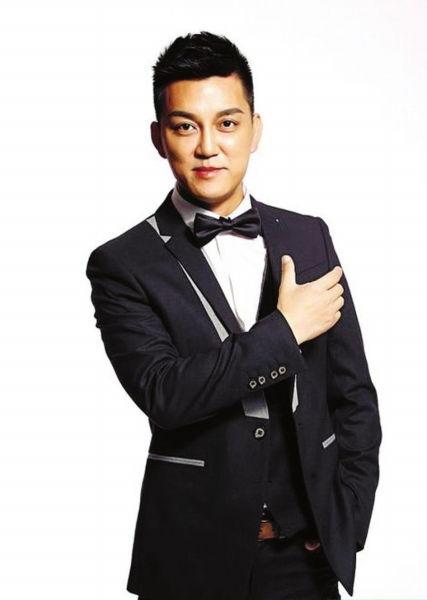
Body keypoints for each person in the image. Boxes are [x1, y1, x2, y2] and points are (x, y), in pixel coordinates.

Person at [86, 31, 382, 600]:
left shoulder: (309, 236)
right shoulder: (122, 263)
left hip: (305, 558)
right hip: (191, 559)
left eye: (227, 123)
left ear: (255, 129)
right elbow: (166, 392)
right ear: (159, 137)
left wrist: (346, 514)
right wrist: (286, 331)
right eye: (185, 126)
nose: (208, 147)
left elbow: (352, 394)